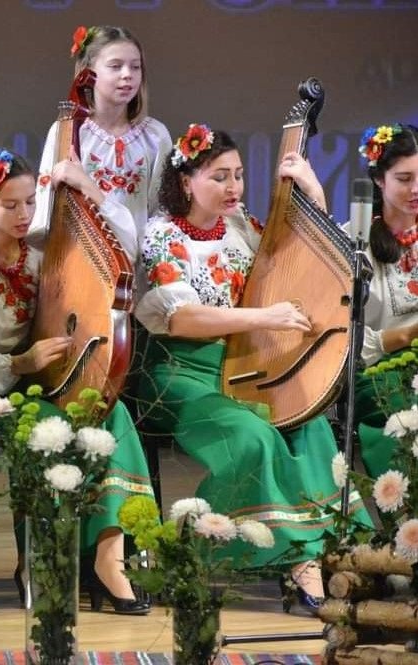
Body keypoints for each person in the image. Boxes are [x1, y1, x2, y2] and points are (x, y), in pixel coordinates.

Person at [134, 123, 365, 614]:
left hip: (242, 365)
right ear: (185, 182)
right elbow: (181, 317)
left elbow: (310, 256)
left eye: (238, 175)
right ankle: (195, 552)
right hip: (179, 371)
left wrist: (313, 189)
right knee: (252, 438)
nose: (234, 187)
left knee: (308, 423)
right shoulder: (161, 236)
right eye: (219, 176)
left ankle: (324, 554)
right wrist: (264, 317)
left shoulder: (243, 227)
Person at [0, 148, 154, 614]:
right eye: (11, 205)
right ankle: (40, 560)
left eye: (31, 202)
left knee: (115, 414)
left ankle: (110, 558)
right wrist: (21, 364)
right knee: (53, 431)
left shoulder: (43, 256)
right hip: (1, 395)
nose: (25, 214)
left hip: (58, 382)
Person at [30, 25, 172, 275]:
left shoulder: (155, 135)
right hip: (81, 268)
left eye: (135, 67)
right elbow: (43, 216)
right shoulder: (67, 131)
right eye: (115, 66)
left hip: (139, 269)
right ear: (89, 73)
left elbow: (162, 213)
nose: (127, 75)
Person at [350, 124, 418, 478]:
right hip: (375, 375)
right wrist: (405, 336)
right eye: (404, 179)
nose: (416, 189)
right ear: (379, 180)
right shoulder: (354, 240)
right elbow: (342, 341)